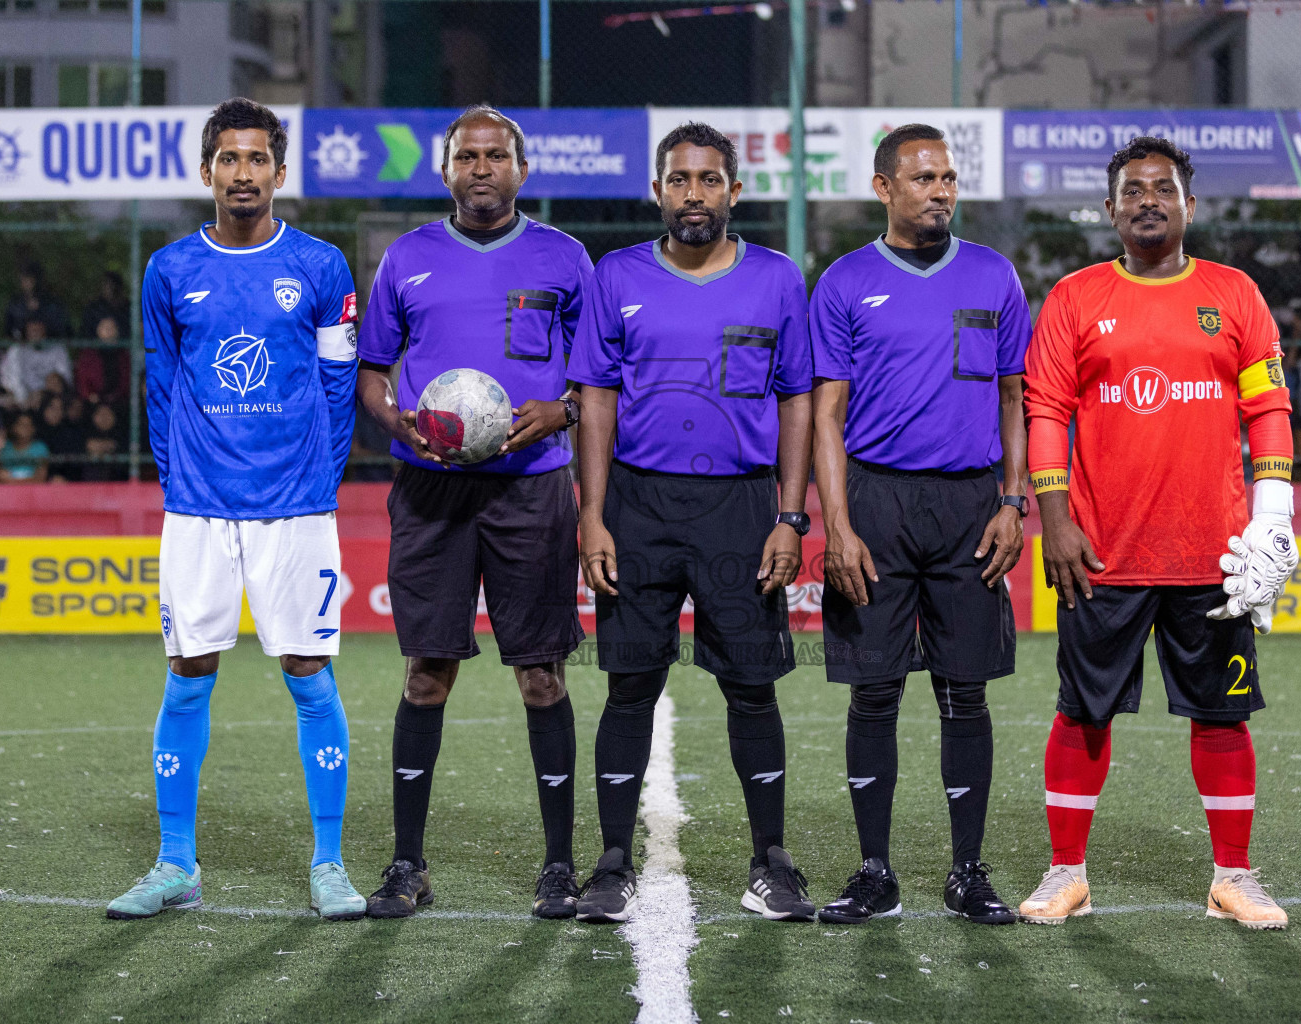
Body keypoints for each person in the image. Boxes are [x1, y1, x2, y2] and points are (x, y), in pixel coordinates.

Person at [1018, 137, 1298, 931]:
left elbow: (1267, 409)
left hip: (1214, 553)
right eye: (1133, 191)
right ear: (1109, 211)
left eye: (1163, 189)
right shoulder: (1073, 298)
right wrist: (1056, 519)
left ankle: (1232, 878)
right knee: (1083, 712)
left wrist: (1272, 514)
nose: (1149, 200)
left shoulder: (1235, 294)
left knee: (1222, 714)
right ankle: (1067, 872)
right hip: (1101, 552)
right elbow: (1047, 412)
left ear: (1189, 205)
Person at [105, 97, 366, 922]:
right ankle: (175, 862)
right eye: (229, 158)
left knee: (309, 675)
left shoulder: (322, 267)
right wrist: (178, 476)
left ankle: (328, 863)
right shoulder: (170, 269)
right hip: (198, 508)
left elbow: (337, 383)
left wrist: (316, 481)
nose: (243, 173)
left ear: (279, 173)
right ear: (208, 170)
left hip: (295, 508)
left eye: (258, 159)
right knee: (187, 674)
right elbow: (162, 381)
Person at [570, 122, 815, 923]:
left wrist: (789, 515)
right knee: (629, 687)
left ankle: (772, 860)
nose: (695, 194)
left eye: (710, 180)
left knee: (753, 691)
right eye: (680, 180)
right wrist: (593, 514)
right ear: (658, 191)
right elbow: (596, 399)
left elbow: (797, 401)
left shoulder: (778, 280)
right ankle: (610, 863)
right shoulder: (617, 275)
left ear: (734, 192)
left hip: (742, 508)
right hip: (638, 505)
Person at [354, 105, 594, 920]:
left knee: (540, 674)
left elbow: (598, 381)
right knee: (427, 674)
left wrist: (559, 410)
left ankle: (559, 865)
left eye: (496, 155)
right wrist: (396, 420)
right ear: (446, 168)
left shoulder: (564, 258)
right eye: (467, 156)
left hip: (533, 486)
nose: (481, 167)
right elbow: (373, 374)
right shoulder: (408, 257)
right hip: (430, 488)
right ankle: (406, 865)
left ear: (522, 169)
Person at [807, 124, 1030, 926]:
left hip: (972, 505)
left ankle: (968, 871)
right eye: (923, 177)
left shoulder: (995, 275)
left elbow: (1014, 400)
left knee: (964, 693)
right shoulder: (843, 281)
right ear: (885, 188)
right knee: (874, 694)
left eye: (947, 177)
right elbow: (824, 418)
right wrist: (837, 524)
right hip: (876, 504)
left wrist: (1013, 500)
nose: (940, 190)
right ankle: (875, 872)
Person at [0, 317, 72, 407]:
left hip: (53, 400)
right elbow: (13, 380)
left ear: (45, 330)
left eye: (38, 329)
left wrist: (46, 395)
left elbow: (65, 378)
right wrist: (25, 397)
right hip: (25, 400)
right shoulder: (17, 351)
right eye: (32, 330)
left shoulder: (58, 349)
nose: (35, 333)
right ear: (26, 331)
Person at [5, 261, 70, 341]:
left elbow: (63, 329)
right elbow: (9, 329)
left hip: (49, 346)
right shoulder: (16, 303)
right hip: (24, 345)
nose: (24, 282)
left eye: (28, 278)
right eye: (23, 279)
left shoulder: (52, 302)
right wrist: (24, 332)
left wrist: (43, 330)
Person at [0, 410, 49, 483]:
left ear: (33, 429)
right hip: (7, 491)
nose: (24, 428)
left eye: (28, 425)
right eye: (21, 424)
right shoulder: (4, 447)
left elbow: (41, 478)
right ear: (14, 427)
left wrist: (12, 480)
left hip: (32, 492)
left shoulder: (40, 448)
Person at [83, 401, 123, 482]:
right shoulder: (85, 432)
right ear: (94, 417)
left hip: (117, 484)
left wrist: (101, 446)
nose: (104, 418)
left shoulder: (122, 434)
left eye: (108, 414)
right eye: (101, 414)